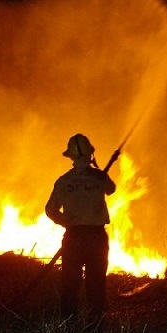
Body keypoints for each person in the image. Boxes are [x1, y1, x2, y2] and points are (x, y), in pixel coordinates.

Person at [45, 133, 116, 321]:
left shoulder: (63, 181)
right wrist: (100, 172)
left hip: (73, 238)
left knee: (69, 285)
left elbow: (50, 210)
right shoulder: (99, 177)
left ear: (71, 157)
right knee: (96, 285)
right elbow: (111, 189)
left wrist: (66, 222)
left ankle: (68, 329)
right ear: (90, 154)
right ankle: (96, 330)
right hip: (96, 238)